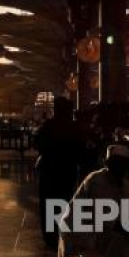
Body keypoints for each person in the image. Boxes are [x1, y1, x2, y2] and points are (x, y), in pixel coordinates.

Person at [34, 97, 86, 248]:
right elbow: (81, 148)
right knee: (66, 201)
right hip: (67, 170)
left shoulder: (48, 126)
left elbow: (37, 143)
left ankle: (50, 236)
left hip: (49, 171)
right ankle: (64, 233)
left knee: (48, 202)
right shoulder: (75, 127)